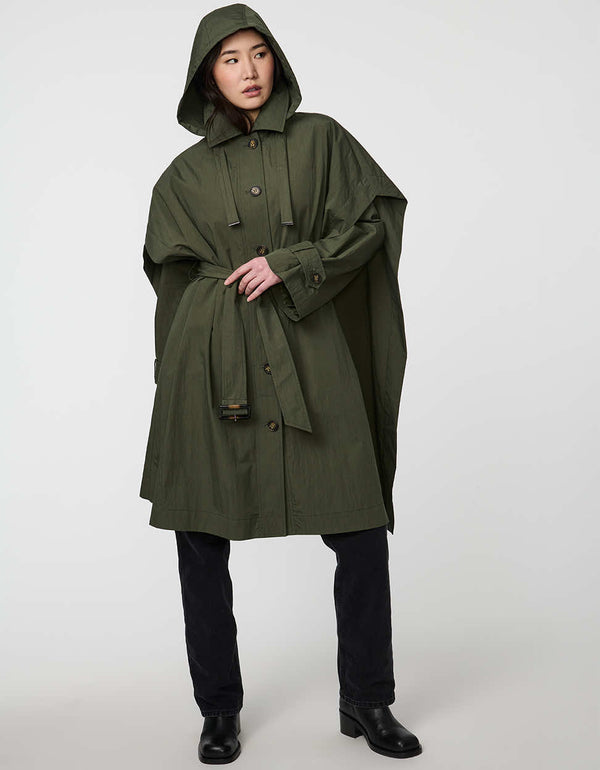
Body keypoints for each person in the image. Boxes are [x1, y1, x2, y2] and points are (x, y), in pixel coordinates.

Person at [139, 3, 422, 764]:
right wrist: (184, 371)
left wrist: (294, 264)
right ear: (208, 75)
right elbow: (169, 280)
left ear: (277, 60)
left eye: (259, 53)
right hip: (216, 365)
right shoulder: (182, 176)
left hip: (312, 351)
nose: (249, 70)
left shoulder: (323, 139)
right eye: (230, 58)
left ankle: (368, 699)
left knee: (360, 530)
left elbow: (372, 221)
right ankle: (218, 710)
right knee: (201, 540)